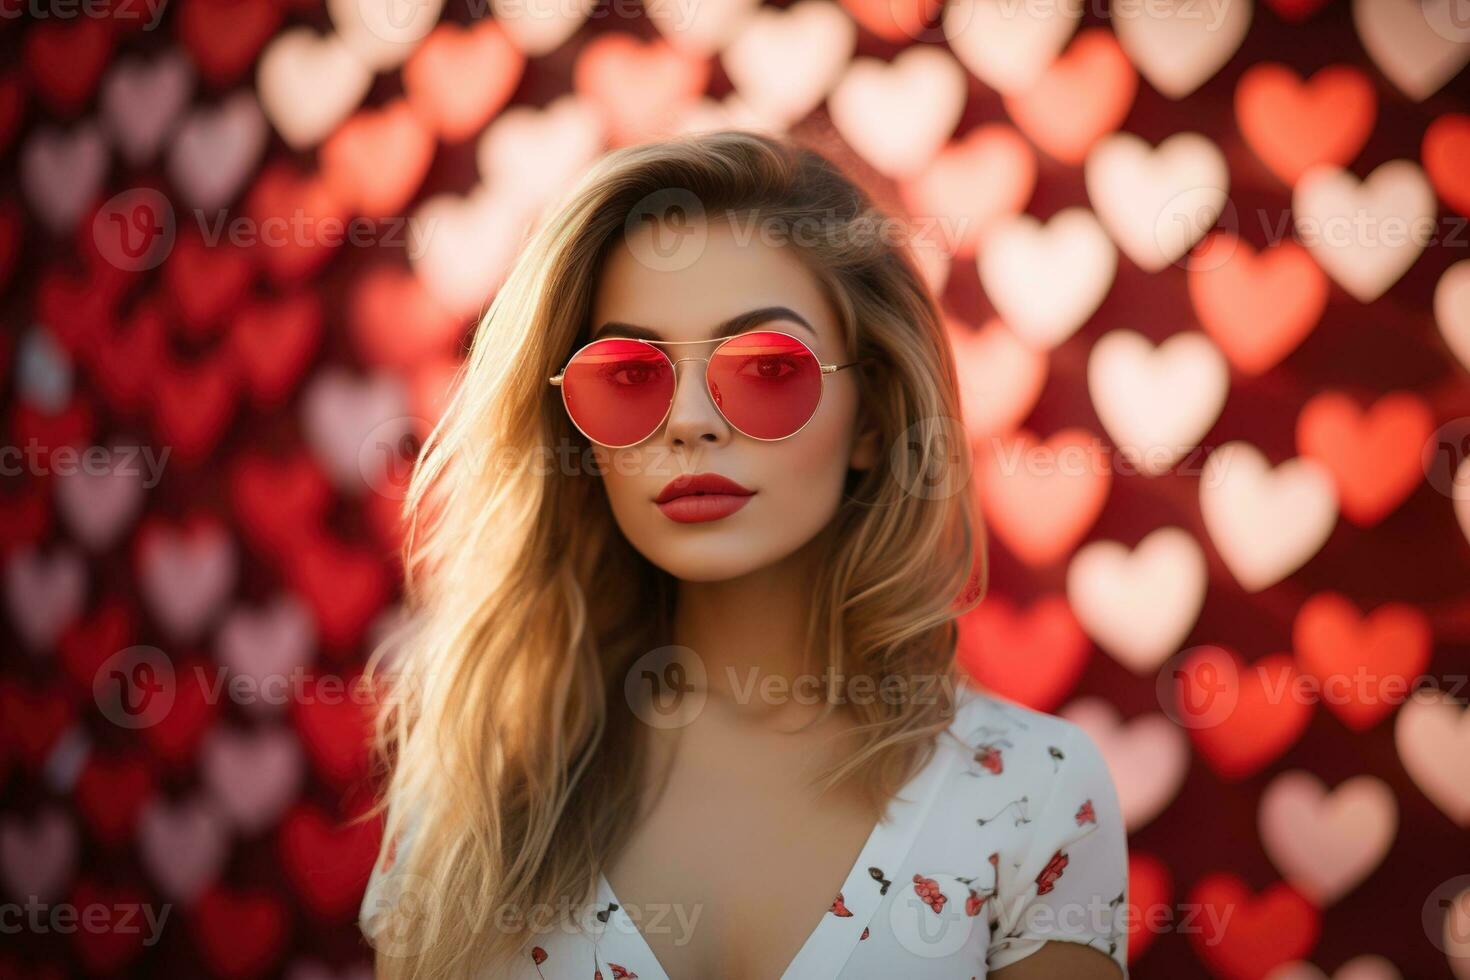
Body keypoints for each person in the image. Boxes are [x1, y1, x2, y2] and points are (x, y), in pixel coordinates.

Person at [358, 129, 1128, 979]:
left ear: (871, 418)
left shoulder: (1032, 793)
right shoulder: (473, 784)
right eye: (627, 374)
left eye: (765, 367)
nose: (689, 421)